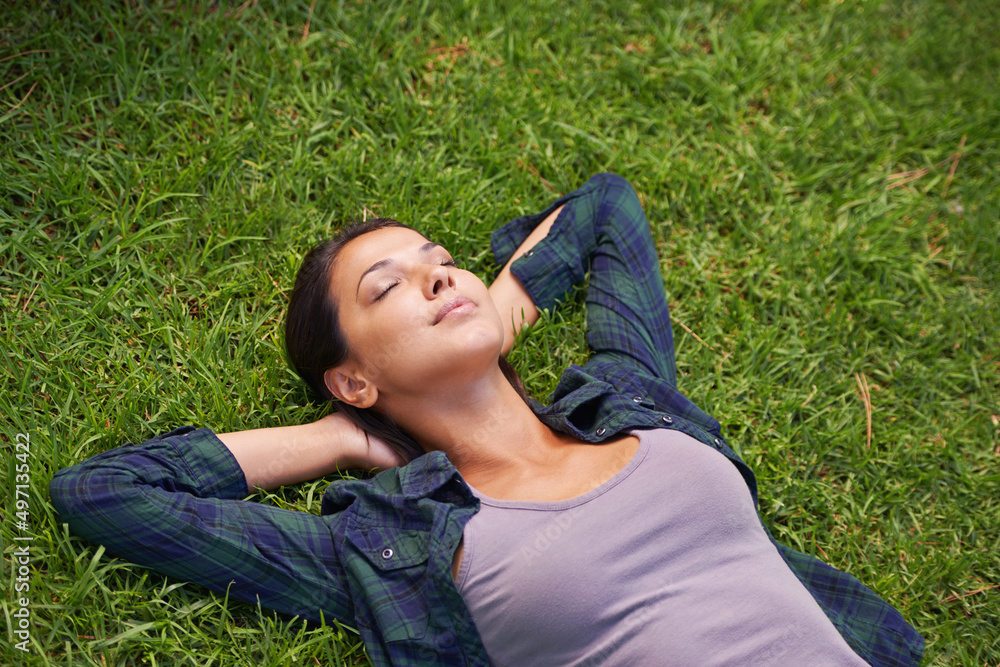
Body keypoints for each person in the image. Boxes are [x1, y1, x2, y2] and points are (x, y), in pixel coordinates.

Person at [50, 174, 923, 666]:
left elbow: (607, 207)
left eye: (443, 262)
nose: (436, 275)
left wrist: (495, 315)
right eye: (387, 285)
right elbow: (101, 493)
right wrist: (341, 438)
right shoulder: (398, 549)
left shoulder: (629, 400)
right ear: (352, 377)